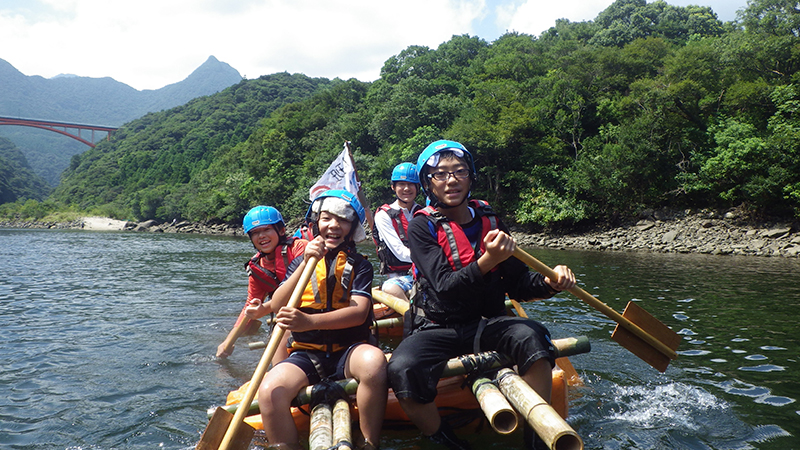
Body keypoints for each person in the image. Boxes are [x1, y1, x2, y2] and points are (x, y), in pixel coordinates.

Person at [386, 140, 577, 450]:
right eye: (440, 174)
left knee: (534, 336)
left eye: (459, 172)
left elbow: (517, 284)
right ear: (428, 183)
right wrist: (489, 260)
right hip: (437, 325)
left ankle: (535, 437)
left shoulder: (490, 220)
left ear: (470, 177)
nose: (451, 180)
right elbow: (445, 286)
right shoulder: (422, 226)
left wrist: (549, 283)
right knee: (401, 368)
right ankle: (446, 440)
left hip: (486, 322)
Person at [252, 190, 387, 450]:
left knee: (374, 363)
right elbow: (278, 303)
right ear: (315, 224)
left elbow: (359, 312)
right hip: (307, 354)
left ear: (352, 228)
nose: (334, 225)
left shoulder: (360, 265)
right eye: (327, 218)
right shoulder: (299, 264)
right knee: (269, 392)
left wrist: (309, 322)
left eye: (343, 220)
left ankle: (369, 442)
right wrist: (304, 264)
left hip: (349, 351)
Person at [216, 206, 307, 359]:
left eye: (266, 230)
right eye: (255, 233)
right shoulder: (257, 268)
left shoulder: (300, 248)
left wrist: (264, 309)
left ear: (281, 231)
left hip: (312, 311)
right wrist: (229, 341)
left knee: (284, 329)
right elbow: (250, 306)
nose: (261, 236)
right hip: (285, 319)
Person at [372, 162, 422, 301]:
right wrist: (428, 257)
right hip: (400, 277)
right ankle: (412, 316)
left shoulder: (424, 212)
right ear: (393, 187)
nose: (406, 188)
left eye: (411, 184)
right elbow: (400, 253)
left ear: (418, 187)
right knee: (390, 288)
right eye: (401, 184)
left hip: (426, 271)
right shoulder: (384, 215)